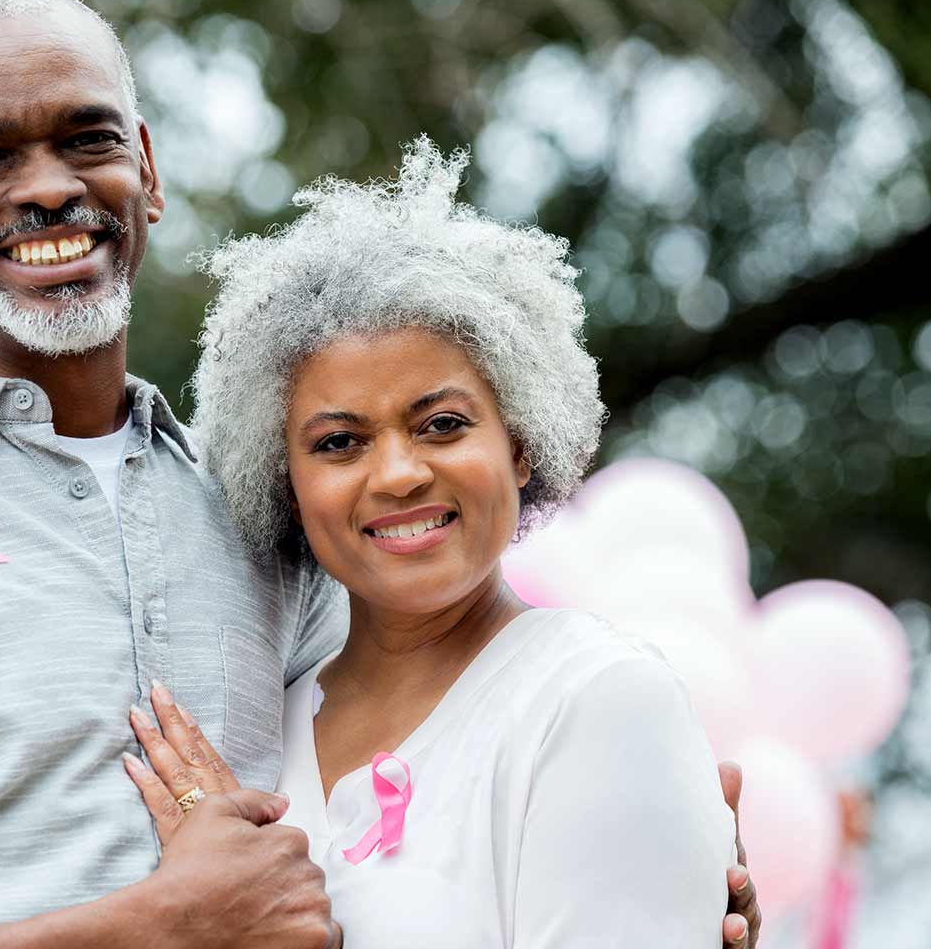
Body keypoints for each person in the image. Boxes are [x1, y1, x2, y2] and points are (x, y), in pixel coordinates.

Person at [0, 0, 758, 947]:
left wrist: (634, 839)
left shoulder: (261, 515)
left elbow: (429, 790)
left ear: (146, 169)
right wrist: (156, 927)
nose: (49, 187)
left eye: (87, 139)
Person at [121, 138, 757, 946]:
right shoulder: (261, 725)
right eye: (339, 443)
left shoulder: (597, 700)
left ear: (520, 443)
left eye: (443, 425)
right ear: (286, 483)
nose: (397, 474)